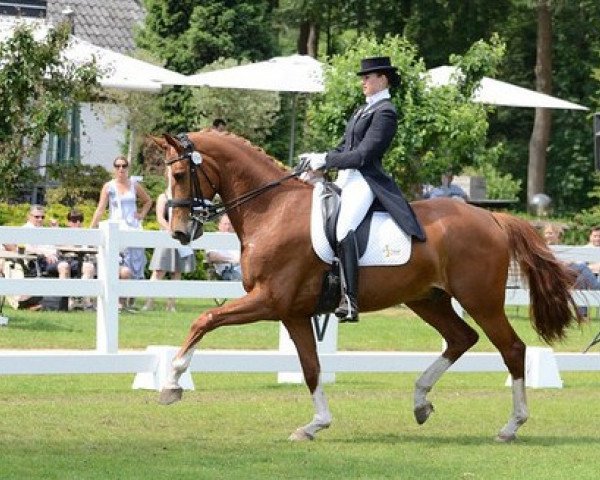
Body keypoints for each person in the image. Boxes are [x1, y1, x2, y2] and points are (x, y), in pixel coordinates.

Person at [299, 56, 425, 323]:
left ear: (383, 79)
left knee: (345, 227)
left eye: (368, 77)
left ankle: (349, 299)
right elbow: (344, 147)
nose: (363, 82)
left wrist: (327, 160)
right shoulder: (362, 110)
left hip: (365, 180)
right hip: (346, 177)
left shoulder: (386, 112)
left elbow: (363, 156)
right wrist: (318, 160)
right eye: (363, 78)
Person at [90, 155, 152, 282]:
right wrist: (92, 227)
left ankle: (131, 297)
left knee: (135, 262)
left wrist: (141, 215)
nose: (121, 169)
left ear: (128, 168)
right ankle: (119, 298)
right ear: (114, 168)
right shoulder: (109, 186)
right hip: (116, 227)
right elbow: (101, 208)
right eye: (118, 166)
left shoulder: (134, 185)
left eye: (124, 166)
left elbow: (148, 201)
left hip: (133, 228)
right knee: (117, 263)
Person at [143, 190, 197, 312]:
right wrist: (170, 230)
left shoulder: (185, 197)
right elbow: (160, 218)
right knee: (159, 271)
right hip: (166, 237)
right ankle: (149, 302)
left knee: (177, 271)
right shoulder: (163, 197)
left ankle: (171, 305)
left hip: (181, 237)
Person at [64, 209, 97, 310]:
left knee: (90, 266)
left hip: (85, 260)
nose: (77, 223)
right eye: (74, 220)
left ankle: (83, 299)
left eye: (80, 220)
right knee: (89, 267)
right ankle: (84, 299)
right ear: (69, 222)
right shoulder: (64, 234)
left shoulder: (87, 234)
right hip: (69, 260)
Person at [205, 214, 241, 281]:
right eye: (225, 224)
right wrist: (234, 259)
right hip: (229, 270)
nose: (227, 227)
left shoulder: (238, 237)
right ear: (219, 225)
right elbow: (212, 256)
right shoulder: (214, 238)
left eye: (230, 224)